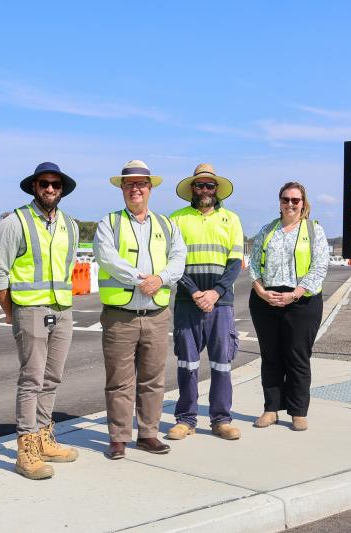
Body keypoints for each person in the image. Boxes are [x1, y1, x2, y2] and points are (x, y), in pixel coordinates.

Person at [0, 162, 80, 480]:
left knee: (52, 378)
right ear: (34, 187)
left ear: (62, 189)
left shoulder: (70, 224)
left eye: (56, 184)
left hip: (62, 310)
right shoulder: (15, 222)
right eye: (44, 183)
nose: (50, 189)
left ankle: (43, 437)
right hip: (30, 310)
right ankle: (26, 448)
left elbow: (67, 268)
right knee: (32, 380)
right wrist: (12, 312)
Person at [93, 160, 186, 460]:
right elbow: (107, 257)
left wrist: (160, 279)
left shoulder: (167, 225)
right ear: (122, 188)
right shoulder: (109, 223)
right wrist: (140, 280)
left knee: (152, 379)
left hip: (156, 316)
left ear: (150, 188)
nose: (136, 188)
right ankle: (118, 438)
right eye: (130, 183)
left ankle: (148, 434)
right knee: (119, 381)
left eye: (141, 183)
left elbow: (178, 259)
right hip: (121, 315)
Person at [167, 163, 244, 441]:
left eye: (209, 185)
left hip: (220, 304)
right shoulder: (176, 219)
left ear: (216, 189)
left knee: (221, 363)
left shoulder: (232, 219)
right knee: (187, 363)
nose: (205, 190)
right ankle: (185, 419)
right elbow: (174, 263)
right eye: (199, 185)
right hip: (189, 302)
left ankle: (221, 419)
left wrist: (215, 293)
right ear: (192, 189)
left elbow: (235, 263)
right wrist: (195, 292)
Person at [248, 181, 329, 432]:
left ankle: (298, 411)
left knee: (297, 357)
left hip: (301, 301)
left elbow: (320, 266)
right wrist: (261, 291)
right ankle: (271, 409)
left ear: (303, 203)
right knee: (270, 356)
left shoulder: (314, 230)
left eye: (295, 200)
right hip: (267, 300)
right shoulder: (267, 230)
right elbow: (253, 264)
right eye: (286, 199)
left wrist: (295, 294)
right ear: (279, 202)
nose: (290, 204)